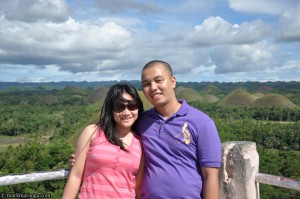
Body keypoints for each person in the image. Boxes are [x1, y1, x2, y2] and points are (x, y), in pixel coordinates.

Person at [70, 60, 222, 198]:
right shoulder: (142, 121)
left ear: (173, 81)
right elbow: (116, 141)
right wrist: (83, 157)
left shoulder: (202, 123)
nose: (153, 88)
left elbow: (210, 176)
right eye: (146, 84)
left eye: (158, 80)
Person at [63, 83, 144, 199]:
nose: (126, 112)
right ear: (111, 109)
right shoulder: (92, 132)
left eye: (132, 106)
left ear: (138, 107)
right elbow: (75, 176)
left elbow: (137, 187)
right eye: (119, 107)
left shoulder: (140, 143)